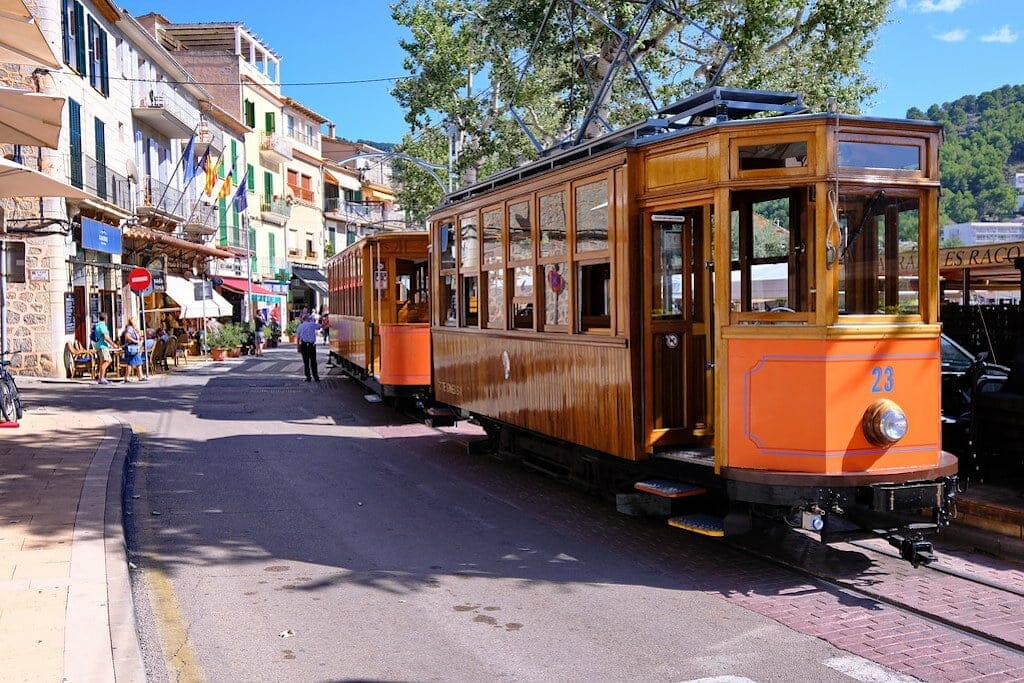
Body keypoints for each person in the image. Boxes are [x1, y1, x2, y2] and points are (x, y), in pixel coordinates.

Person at [92, 312, 119, 385]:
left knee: (102, 362)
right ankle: (101, 377)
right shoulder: (102, 326)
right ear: (105, 318)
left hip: (98, 345)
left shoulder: (97, 325)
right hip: (103, 345)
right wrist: (113, 344)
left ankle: (100, 377)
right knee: (108, 360)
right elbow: (106, 337)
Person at [120, 317, 147, 382]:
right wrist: (135, 341)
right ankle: (132, 377)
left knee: (136, 362)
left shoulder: (132, 328)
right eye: (135, 321)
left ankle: (137, 376)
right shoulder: (129, 328)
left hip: (134, 347)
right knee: (133, 362)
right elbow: (127, 336)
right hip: (131, 347)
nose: (136, 322)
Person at [295, 313, 320, 382]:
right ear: (308, 319)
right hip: (312, 345)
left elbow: (298, 337)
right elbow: (321, 326)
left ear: (303, 319)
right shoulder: (312, 324)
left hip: (304, 345)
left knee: (306, 362)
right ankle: (316, 377)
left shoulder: (300, 326)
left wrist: (298, 346)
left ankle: (308, 377)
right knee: (313, 362)